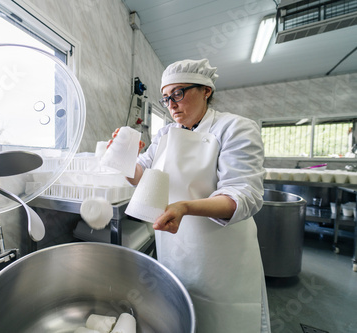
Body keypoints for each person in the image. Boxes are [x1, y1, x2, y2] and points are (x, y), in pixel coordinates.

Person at [115, 59, 270, 332]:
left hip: (221, 253)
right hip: (175, 246)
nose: (172, 104)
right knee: (183, 315)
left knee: (221, 321)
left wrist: (184, 207)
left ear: (206, 90)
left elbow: (244, 195)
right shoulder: (165, 134)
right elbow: (142, 178)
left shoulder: (235, 128)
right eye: (166, 98)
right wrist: (124, 155)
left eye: (179, 93)